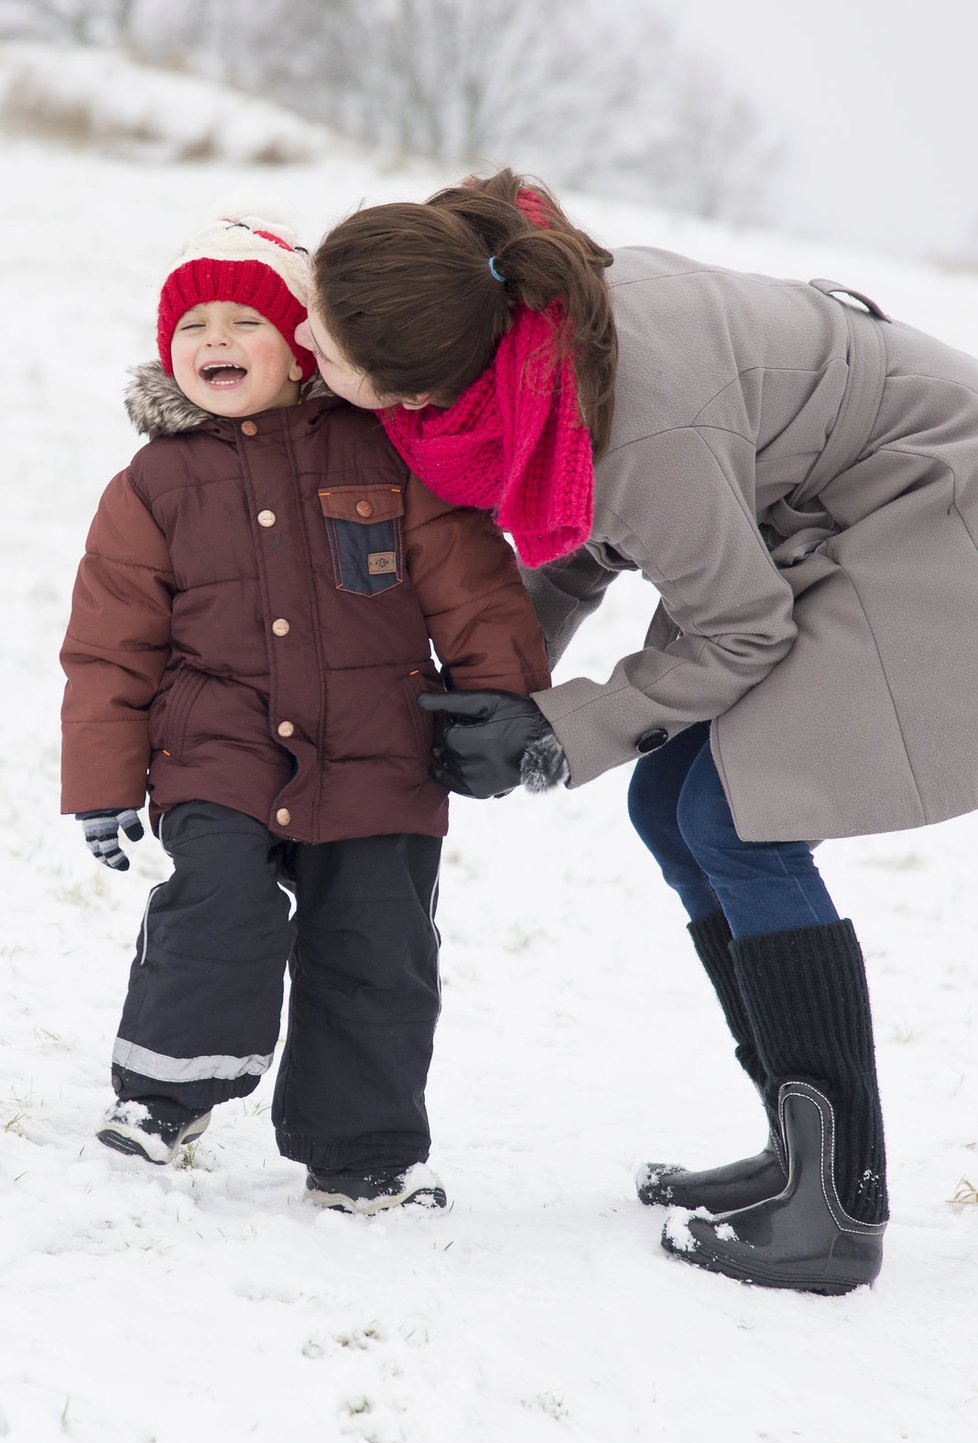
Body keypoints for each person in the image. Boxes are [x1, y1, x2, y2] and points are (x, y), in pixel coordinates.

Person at [296, 166, 978, 1293]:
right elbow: (587, 533)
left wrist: (554, 732)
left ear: (413, 382)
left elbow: (738, 625)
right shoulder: (533, 346)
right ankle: (790, 1151)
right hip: (832, 505)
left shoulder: (631, 414)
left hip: (934, 510)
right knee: (671, 803)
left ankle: (834, 1206)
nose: (303, 349)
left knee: (741, 816)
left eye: (323, 345)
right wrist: (509, 680)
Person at [60, 209, 550, 1214]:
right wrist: (104, 785)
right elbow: (110, 646)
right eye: (192, 330)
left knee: (379, 949)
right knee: (216, 907)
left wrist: (503, 703)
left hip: (381, 747)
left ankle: (362, 1153)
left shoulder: (386, 452)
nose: (215, 344)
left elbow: (472, 586)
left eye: (243, 322)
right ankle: (165, 1093)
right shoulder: (152, 484)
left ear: (302, 346)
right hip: (218, 743)